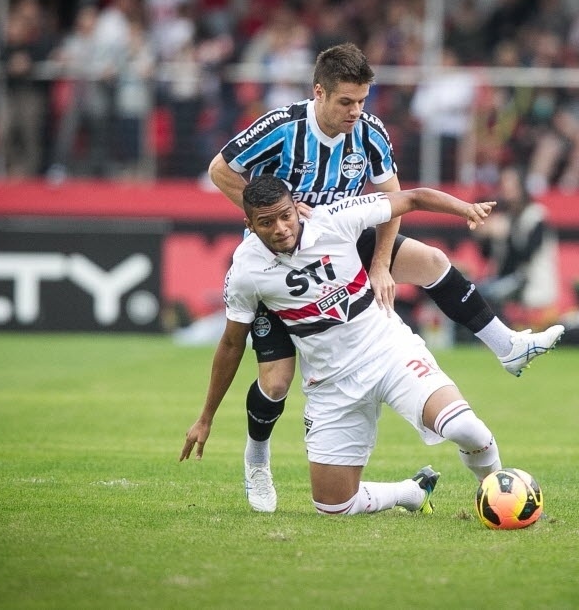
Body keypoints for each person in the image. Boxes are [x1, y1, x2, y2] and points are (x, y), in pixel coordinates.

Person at [208, 42, 565, 512]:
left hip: (340, 238)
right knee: (275, 383)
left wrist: (379, 266)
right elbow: (220, 170)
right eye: (346, 102)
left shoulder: (370, 132)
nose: (357, 111)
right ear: (319, 92)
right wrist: (275, 213)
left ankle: (508, 346)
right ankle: (257, 459)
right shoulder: (282, 128)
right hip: (280, 259)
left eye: (363, 100)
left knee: (433, 262)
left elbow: (395, 197)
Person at [180, 176, 510, 516]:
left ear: (297, 208)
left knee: (466, 428)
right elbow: (232, 343)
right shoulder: (246, 271)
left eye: (285, 216)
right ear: (249, 224)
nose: (280, 228)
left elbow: (412, 198)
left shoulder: (333, 219)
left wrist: (465, 208)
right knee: (334, 507)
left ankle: (501, 493)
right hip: (331, 385)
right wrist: (206, 417)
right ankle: (412, 492)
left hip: (390, 353)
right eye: (266, 222)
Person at [473, 165, 557, 316]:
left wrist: (506, 235)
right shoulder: (504, 216)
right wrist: (483, 236)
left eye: (510, 184)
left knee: (485, 295)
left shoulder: (536, 216)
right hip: (506, 281)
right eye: (503, 184)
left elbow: (526, 256)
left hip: (531, 284)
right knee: (472, 293)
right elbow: (488, 255)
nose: (506, 189)